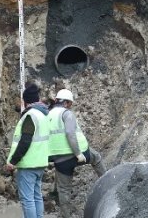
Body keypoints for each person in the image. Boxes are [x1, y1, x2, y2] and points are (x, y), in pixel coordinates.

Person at [47, 89, 106, 218]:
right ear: (67, 103)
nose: (70, 106)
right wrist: (78, 153)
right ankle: (108, 183)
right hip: (78, 153)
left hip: (59, 159)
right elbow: (70, 133)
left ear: (56, 100)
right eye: (70, 104)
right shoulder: (66, 114)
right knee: (96, 158)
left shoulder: (48, 115)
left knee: (64, 189)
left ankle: (66, 214)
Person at [4, 83, 50, 218]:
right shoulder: (43, 115)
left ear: (25, 101)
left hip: (28, 165)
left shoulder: (30, 116)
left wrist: (13, 161)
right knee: (37, 196)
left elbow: (25, 141)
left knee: (27, 200)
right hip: (40, 163)